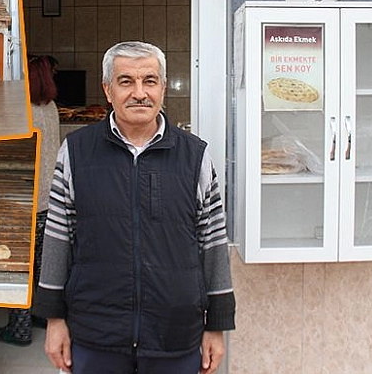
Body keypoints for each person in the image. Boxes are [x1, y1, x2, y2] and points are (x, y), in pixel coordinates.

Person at [33, 41, 235, 374]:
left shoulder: (195, 157)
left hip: (176, 333)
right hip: (96, 333)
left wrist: (217, 323)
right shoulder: (76, 153)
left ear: (163, 89)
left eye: (150, 81)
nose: (139, 92)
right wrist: (54, 319)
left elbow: (213, 246)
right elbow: (58, 242)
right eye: (126, 81)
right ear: (108, 90)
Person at [0, 55, 61, 345]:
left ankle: (19, 330)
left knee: (20, 270)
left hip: (26, 202)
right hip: (50, 201)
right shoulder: (51, 108)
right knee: (42, 268)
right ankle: (41, 316)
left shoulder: (20, 112)